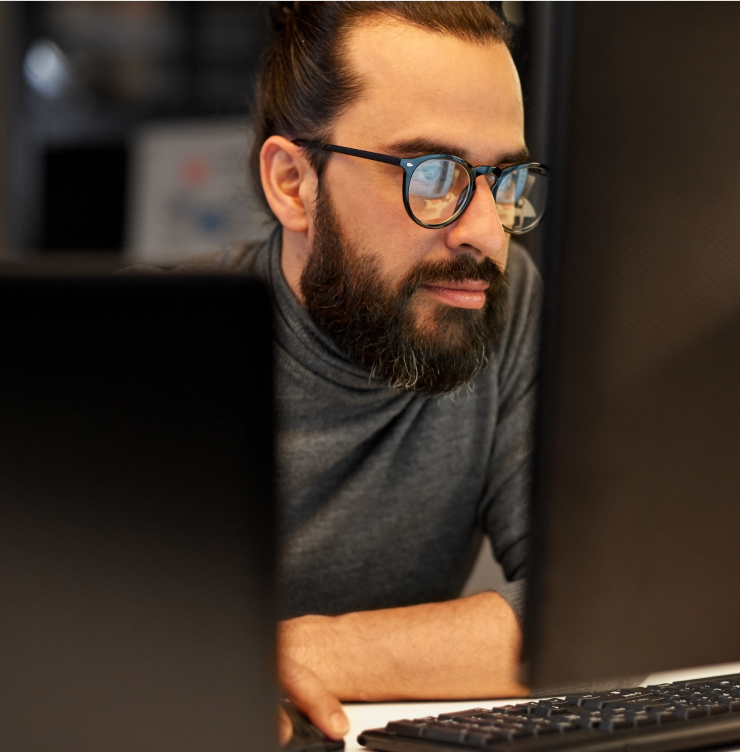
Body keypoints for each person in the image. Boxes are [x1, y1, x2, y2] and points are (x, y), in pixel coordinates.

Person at [172, 0, 545, 742]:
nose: (483, 235)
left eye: (502, 181)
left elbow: (584, 612)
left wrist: (285, 650)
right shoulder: (152, 345)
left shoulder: (498, 301)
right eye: (432, 174)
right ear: (292, 184)